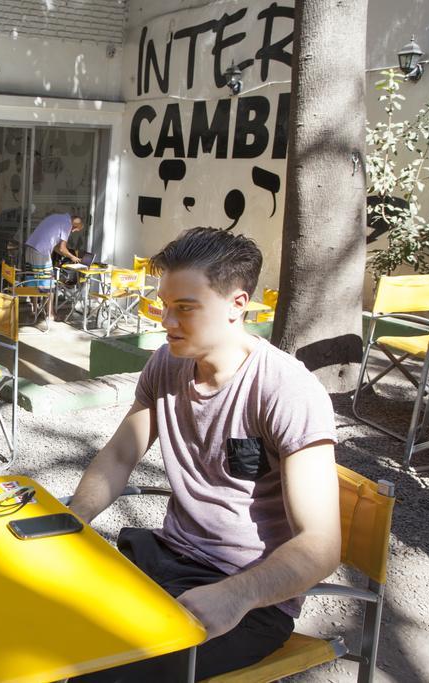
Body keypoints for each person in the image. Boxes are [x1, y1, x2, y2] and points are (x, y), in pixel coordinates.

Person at [68, 227, 341, 681]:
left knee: (93, 670)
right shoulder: (168, 362)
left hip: (247, 598)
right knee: (34, 620)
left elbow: (321, 544)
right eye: (165, 306)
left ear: (238, 304)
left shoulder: (286, 390)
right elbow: (120, 455)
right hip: (164, 559)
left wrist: (236, 595)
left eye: (186, 308)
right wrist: (74, 517)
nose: (167, 323)